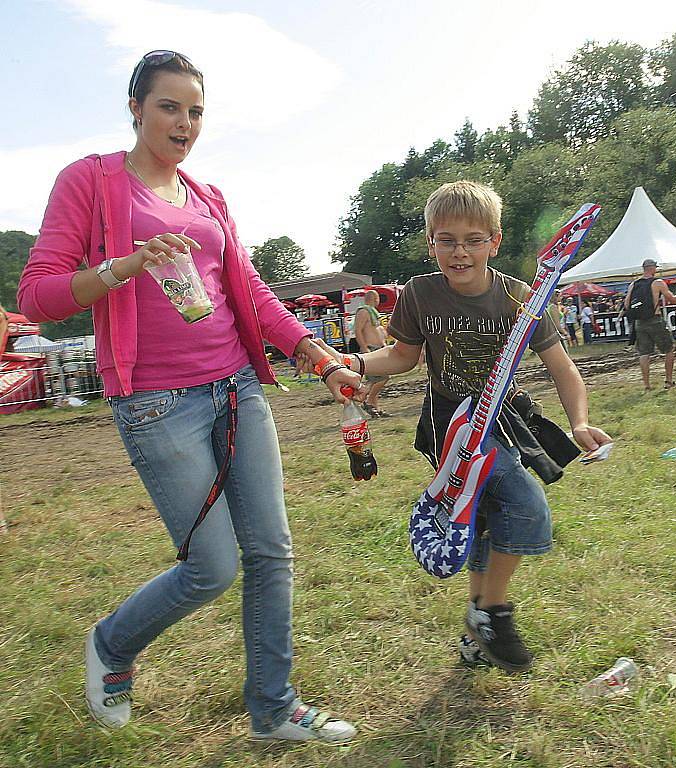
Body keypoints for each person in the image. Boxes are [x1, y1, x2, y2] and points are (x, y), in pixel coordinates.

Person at [17, 50, 360, 744]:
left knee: (271, 551)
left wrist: (315, 353)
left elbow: (253, 294)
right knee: (211, 568)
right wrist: (122, 266)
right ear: (136, 108)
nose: (183, 122)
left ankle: (272, 708)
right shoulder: (91, 181)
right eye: (169, 106)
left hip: (235, 386)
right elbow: (39, 295)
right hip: (155, 401)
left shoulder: (208, 199)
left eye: (195, 110)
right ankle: (113, 644)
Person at [307, 181, 611, 672]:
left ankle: (477, 624)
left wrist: (580, 422)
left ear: (494, 241)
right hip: (449, 426)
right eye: (446, 239)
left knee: (494, 515)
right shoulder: (421, 294)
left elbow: (563, 367)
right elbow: (403, 357)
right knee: (516, 507)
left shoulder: (520, 298)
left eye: (473, 239)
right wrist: (355, 362)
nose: (460, 251)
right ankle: (492, 612)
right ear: (431, 243)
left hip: (504, 420)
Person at [619, 259, 676, 391]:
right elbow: (674, 299)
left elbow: (626, 305)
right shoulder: (657, 282)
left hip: (639, 323)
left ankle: (647, 386)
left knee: (644, 354)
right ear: (652, 268)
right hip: (655, 319)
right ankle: (669, 381)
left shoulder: (634, 284)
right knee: (669, 349)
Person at [354, 289, 391, 417]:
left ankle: (375, 409)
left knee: (376, 380)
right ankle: (368, 401)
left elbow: (379, 331)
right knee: (382, 378)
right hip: (370, 349)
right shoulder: (364, 312)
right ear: (376, 299)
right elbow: (357, 330)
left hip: (377, 348)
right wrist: (364, 348)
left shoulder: (374, 313)